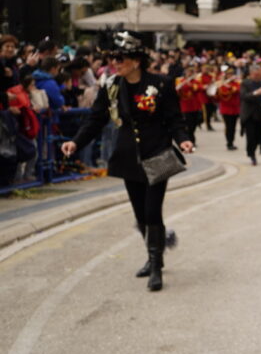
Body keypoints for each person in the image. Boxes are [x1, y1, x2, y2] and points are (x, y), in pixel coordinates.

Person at [61, 32, 194, 292]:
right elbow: (96, 119)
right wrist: (76, 142)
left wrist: (184, 139)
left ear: (135, 60)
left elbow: (174, 119)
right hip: (127, 157)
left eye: (119, 58)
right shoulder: (110, 84)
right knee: (140, 214)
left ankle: (156, 267)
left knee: (153, 210)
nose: (114, 62)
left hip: (157, 154)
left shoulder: (163, 84)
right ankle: (152, 254)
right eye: (112, 58)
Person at [240, 63, 261, 166]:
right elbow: (244, 97)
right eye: (255, 74)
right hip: (249, 113)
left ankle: (255, 149)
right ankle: (252, 154)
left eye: (259, 74)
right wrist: (256, 93)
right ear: (250, 74)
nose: (257, 76)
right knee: (251, 136)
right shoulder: (245, 83)